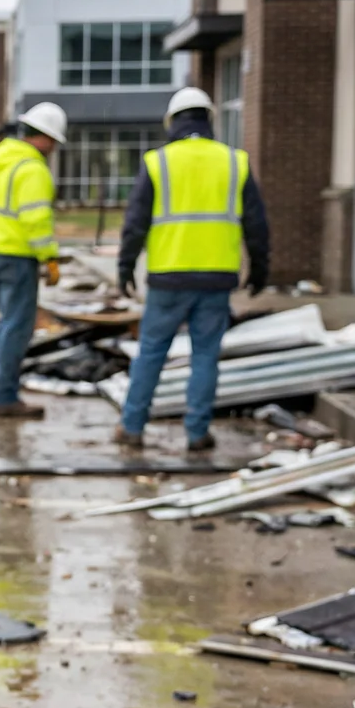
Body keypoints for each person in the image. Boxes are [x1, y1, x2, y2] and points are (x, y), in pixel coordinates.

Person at [114, 87, 270, 452]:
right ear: (209, 119)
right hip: (216, 277)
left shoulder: (158, 162)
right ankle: (197, 433)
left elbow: (135, 223)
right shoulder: (235, 162)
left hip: (168, 276)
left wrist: (125, 266)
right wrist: (261, 268)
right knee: (205, 357)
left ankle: (132, 427)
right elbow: (257, 224)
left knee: (151, 352)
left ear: (173, 122)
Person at [0, 102, 67, 419]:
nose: (53, 148)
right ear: (42, 137)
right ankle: (5, 397)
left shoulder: (1, 157)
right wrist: (49, 258)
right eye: (53, 140)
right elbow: (36, 220)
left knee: (6, 322)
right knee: (18, 326)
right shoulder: (32, 168)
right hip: (17, 254)